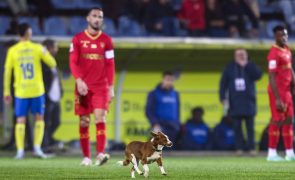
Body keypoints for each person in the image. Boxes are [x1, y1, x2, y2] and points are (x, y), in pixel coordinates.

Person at [69, 7, 115, 166]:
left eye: (100, 17)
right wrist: (78, 80)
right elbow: (73, 61)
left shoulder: (107, 40)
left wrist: (111, 86)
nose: (97, 19)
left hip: (101, 87)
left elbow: (110, 65)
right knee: (84, 121)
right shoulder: (77, 39)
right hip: (83, 87)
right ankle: (86, 157)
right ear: (88, 18)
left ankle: (100, 154)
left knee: (100, 117)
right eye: (94, 16)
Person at [3, 23, 56, 159]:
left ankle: (20, 151)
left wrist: (6, 92)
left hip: (21, 91)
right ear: (29, 33)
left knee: (20, 120)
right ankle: (37, 149)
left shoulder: (13, 50)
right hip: (37, 90)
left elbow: (7, 72)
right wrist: (45, 51)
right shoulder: (37, 48)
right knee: (39, 118)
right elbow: (52, 63)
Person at [219, 48, 262, 155]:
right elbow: (223, 84)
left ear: (247, 55)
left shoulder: (250, 66)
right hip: (235, 102)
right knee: (237, 127)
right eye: (238, 54)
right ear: (234, 56)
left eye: (243, 54)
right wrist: (222, 97)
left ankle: (251, 148)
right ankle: (239, 148)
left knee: (250, 128)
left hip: (249, 102)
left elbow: (258, 75)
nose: (241, 56)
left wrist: (246, 65)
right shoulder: (229, 68)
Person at [266, 25, 295, 161]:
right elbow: (271, 76)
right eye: (280, 35)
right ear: (275, 36)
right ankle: (271, 153)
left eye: (285, 34)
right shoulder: (273, 53)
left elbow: (290, 69)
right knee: (277, 120)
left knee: (289, 121)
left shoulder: (287, 49)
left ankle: (289, 153)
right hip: (277, 92)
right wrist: (277, 98)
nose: (284, 37)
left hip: (287, 92)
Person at [145, 71, 181, 147]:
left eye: (171, 80)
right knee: (155, 148)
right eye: (167, 79)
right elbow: (148, 111)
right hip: (160, 125)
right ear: (163, 80)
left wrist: (178, 123)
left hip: (173, 126)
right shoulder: (153, 93)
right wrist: (155, 124)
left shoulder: (175, 94)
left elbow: (177, 111)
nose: (169, 82)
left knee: (172, 148)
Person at [42, 39, 63, 151]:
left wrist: (61, 90)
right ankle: (44, 145)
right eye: (55, 47)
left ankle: (48, 140)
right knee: (45, 122)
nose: (57, 49)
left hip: (56, 97)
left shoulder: (53, 61)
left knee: (56, 121)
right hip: (47, 97)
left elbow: (56, 79)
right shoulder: (43, 62)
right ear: (48, 48)